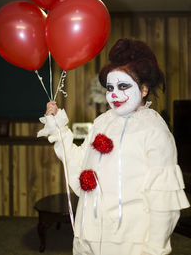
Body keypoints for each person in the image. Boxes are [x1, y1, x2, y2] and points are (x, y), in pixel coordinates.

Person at [37, 38, 190, 255]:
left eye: (123, 86)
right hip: (87, 235)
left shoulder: (155, 131)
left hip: (129, 243)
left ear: (144, 89)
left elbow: (163, 201)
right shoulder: (103, 121)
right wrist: (57, 129)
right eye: (110, 87)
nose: (114, 94)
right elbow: (80, 163)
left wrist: (154, 249)